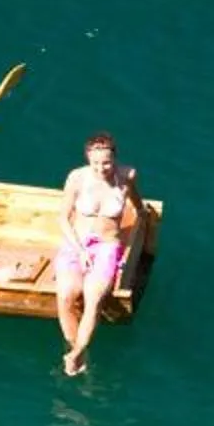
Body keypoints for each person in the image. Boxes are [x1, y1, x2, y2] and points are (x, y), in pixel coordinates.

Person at [53, 131, 141, 376]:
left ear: (115, 159)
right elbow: (62, 217)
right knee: (66, 295)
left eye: (106, 162)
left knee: (94, 298)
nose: (101, 168)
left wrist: (143, 219)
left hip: (107, 245)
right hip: (76, 242)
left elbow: (137, 202)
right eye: (95, 163)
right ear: (87, 159)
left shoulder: (127, 176)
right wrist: (80, 251)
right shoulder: (77, 178)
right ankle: (75, 349)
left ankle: (78, 352)